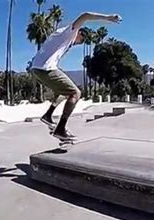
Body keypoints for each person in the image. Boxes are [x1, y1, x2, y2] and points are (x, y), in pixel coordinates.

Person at [30, 12, 122, 140]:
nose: (79, 43)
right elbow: (84, 16)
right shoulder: (70, 31)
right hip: (45, 68)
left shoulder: (62, 36)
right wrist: (107, 18)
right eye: (82, 40)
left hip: (37, 69)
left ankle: (48, 115)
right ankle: (61, 129)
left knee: (63, 93)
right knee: (75, 93)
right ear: (79, 33)